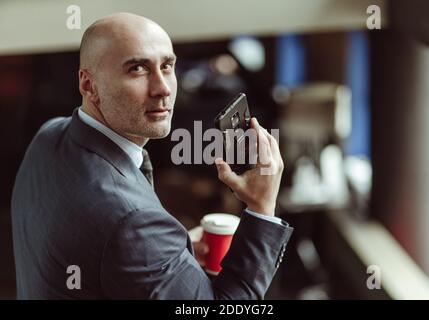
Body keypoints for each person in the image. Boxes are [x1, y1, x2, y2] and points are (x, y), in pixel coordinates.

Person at [11, 12, 293, 299]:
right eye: (137, 69)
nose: (163, 88)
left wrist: (168, 258)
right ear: (88, 85)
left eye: (167, 66)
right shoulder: (134, 224)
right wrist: (261, 208)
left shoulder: (49, 135)